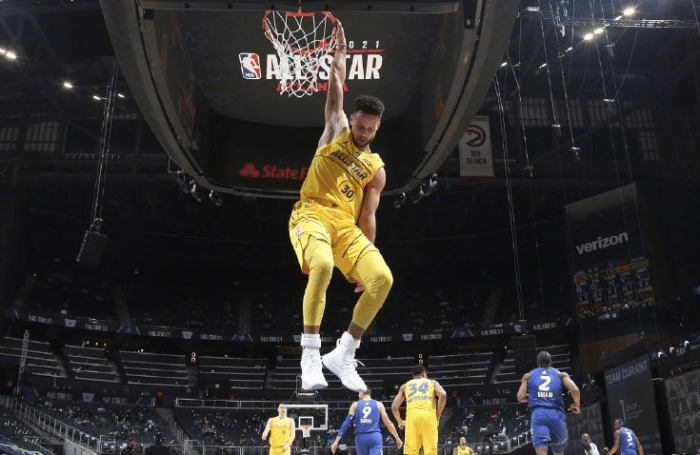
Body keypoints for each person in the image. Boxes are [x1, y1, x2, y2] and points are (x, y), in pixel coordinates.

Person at [289, 19, 393, 392]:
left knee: (381, 279)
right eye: (360, 126)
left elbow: (368, 216)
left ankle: (344, 353)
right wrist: (341, 50)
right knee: (321, 265)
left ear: (378, 128)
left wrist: (363, 263)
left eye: (370, 128)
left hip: (346, 228)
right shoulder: (337, 129)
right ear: (352, 120)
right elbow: (335, 80)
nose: (363, 133)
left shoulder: (376, 169)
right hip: (311, 213)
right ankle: (310, 353)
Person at [516, 351, 581, 455]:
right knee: (559, 453)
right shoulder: (561, 374)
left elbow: (521, 397)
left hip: (539, 415)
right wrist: (577, 404)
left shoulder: (528, 376)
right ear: (550, 362)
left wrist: (534, 397)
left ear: (538, 362)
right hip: (556, 415)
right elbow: (575, 390)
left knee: (542, 452)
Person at [391, 364, 447, 455]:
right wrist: (438, 415)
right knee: (431, 451)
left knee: (411, 452)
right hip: (428, 416)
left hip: (412, 418)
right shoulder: (432, 383)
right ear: (424, 373)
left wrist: (399, 421)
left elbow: (394, 406)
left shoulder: (405, 386)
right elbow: (443, 395)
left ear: (413, 376)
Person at [331, 388, 403, 455]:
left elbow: (346, 423)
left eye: (359, 393)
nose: (358, 395)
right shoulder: (379, 404)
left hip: (361, 437)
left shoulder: (355, 405)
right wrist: (397, 438)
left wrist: (336, 441)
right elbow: (388, 423)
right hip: (374, 435)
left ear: (362, 393)